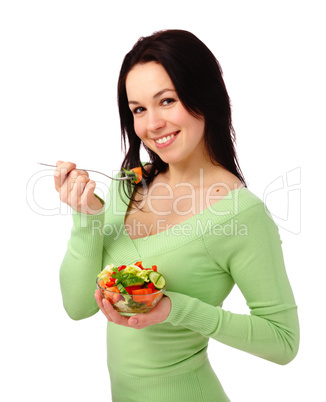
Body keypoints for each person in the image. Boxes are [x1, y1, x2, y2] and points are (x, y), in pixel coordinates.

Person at [55, 30, 300, 402]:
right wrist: (86, 218)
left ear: (205, 97)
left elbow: (284, 342)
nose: (152, 125)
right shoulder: (127, 186)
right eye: (138, 109)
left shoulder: (241, 214)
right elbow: (78, 306)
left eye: (166, 101)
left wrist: (176, 309)